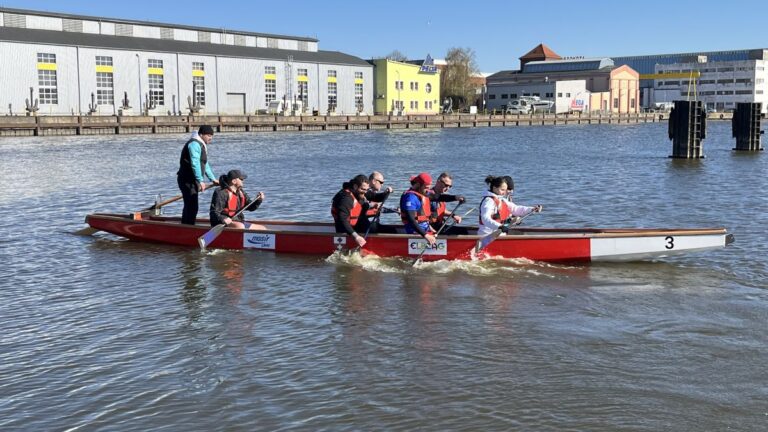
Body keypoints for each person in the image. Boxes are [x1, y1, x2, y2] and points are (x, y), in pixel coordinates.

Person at [177, 125, 219, 225]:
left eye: (212, 135)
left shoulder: (201, 144)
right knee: (191, 205)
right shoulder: (194, 144)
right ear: (201, 134)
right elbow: (195, 163)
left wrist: (212, 179)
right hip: (187, 179)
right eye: (208, 135)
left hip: (192, 180)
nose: (210, 138)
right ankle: (188, 227)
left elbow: (204, 163)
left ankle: (186, 225)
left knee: (190, 205)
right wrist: (200, 180)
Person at [478, 175, 542, 237]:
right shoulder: (488, 201)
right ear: (494, 188)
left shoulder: (502, 200)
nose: (504, 192)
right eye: (502, 190)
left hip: (499, 233)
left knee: (516, 222)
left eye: (505, 190)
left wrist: (532, 209)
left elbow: (516, 209)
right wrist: (499, 226)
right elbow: (485, 218)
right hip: (487, 235)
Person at [331, 174, 376, 248]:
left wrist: (386, 193)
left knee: (375, 226)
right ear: (355, 186)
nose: (365, 192)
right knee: (372, 227)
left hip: (355, 226)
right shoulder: (346, 199)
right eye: (363, 189)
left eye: (366, 190)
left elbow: (375, 197)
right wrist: (356, 237)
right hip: (344, 230)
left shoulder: (358, 193)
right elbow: (343, 220)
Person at [400, 172, 436, 246]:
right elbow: (411, 220)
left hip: (424, 229)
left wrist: (455, 198)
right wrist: (425, 235)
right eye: (426, 187)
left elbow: (438, 197)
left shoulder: (422, 192)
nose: (427, 190)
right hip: (414, 232)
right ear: (419, 185)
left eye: (429, 187)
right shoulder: (410, 198)